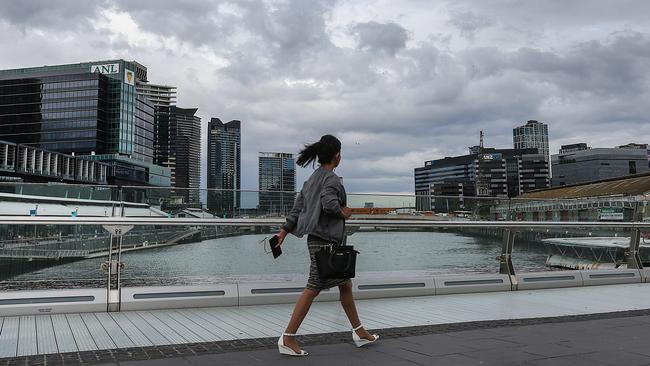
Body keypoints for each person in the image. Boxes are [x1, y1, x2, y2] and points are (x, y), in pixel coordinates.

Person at [274, 134, 379, 356]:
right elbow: (329, 203)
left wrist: (283, 231)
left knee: (345, 284)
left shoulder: (310, 180)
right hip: (326, 241)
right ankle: (288, 337)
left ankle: (359, 332)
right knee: (313, 286)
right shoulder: (331, 179)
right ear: (337, 156)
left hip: (316, 239)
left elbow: (297, 210)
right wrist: (344, 212)